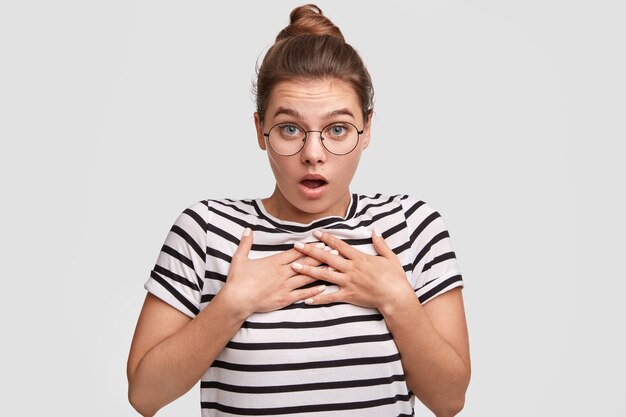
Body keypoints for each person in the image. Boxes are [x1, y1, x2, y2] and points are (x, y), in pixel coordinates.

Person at [126, 4, 470, 417]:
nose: (313, 154)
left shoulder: (412, 226)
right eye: (290, 128)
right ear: (260, 130)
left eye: (337, 129)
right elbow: (144, 396)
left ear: (367, 130)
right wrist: (234, 303)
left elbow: (449, 401)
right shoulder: (205, 231)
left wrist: (395, 297)